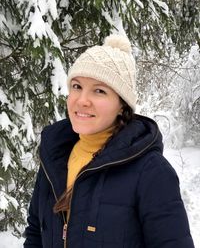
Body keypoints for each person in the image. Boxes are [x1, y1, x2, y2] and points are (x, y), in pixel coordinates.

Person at [24, 34, 195, 248]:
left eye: (99, 91)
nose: (82, 100)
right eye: (77, 86)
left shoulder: (151, 172)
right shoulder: (55, 156)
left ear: (122, 105)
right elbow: (35, 233)